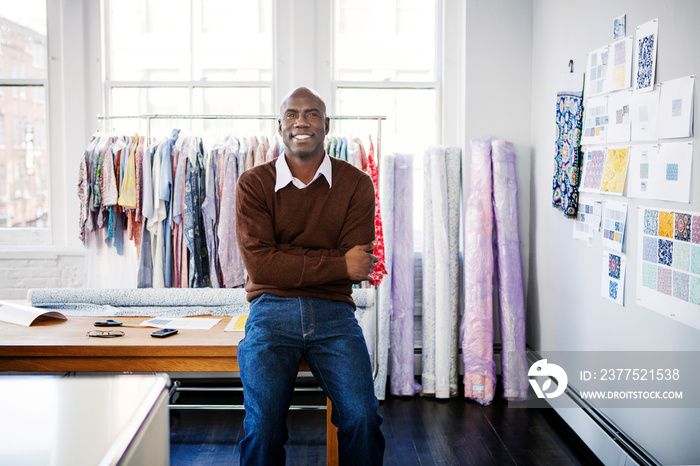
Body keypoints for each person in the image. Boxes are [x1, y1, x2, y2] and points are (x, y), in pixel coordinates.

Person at [234, 86, 385, 465]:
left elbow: (360, 266)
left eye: (312, 113)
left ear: (327, 124)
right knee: (263, 426)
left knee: (363, 418)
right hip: (270, 312)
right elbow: (262, 267)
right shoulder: (253, 183)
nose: (301, 121)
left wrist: (288, 260)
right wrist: (336, 264)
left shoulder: (356, 184)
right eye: (292, 114)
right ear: (279, 125)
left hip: (334, 313)